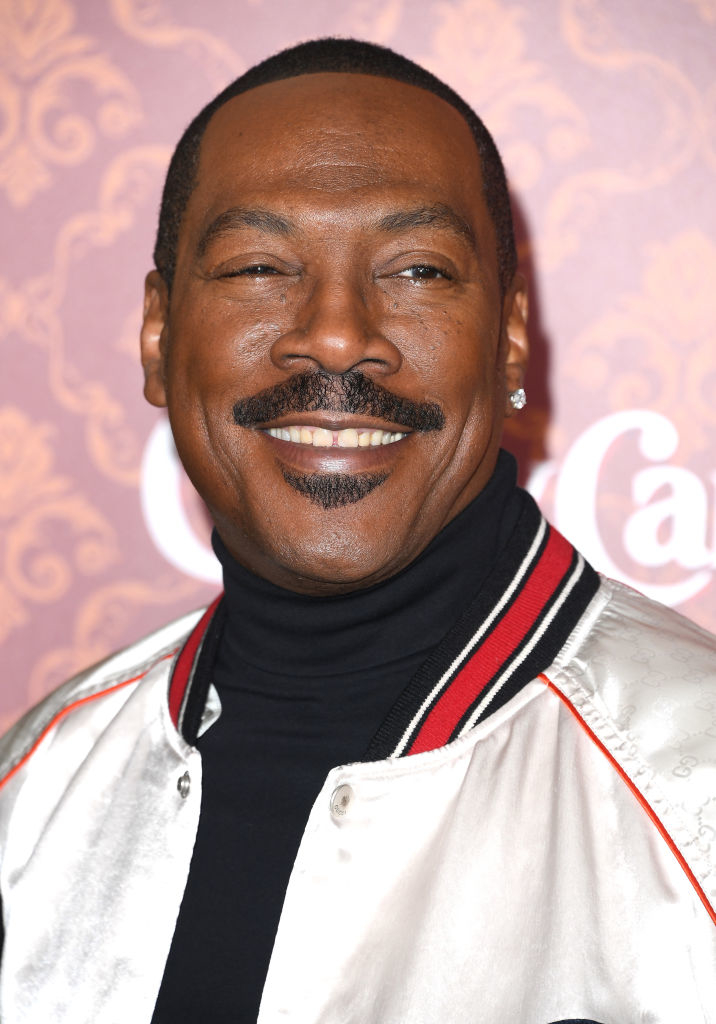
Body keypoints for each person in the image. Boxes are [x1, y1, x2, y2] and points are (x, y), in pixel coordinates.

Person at [0, 36, 714, 1024]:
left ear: (508, 337)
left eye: (416, 269)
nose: (336, 334)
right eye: (257, 266)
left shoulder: (692, 783)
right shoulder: (34, 788)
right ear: (158, 339)